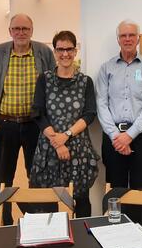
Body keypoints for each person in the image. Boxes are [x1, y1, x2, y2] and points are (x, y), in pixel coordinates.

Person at [0, 13, 56, 225]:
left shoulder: (43, 52)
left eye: (25, 29)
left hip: (36, 125)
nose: (21, 32)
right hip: (6, 124)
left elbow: (53, 87)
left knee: (38, 174)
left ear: (32, 30)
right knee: (4, 176)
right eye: (16, 29)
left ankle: (38, 218)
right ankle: (4, 218)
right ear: (10, 31)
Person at [30, 31, 99, 217]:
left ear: (75, 51)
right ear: (54, 52)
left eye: (69, 49)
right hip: (49, 148)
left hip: (78, 148)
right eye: (60, 49)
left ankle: (84, 240)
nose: (65, 54)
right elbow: (38, 112)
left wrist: (66, 136)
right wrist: (56, 141)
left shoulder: (85, 82)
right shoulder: (44, 79)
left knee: (81, 197)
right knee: (48, 199)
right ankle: (51, 241)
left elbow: (90, 114)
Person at [96, 19, 142, 189]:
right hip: (113, 138)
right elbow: (101, 104)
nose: (128, 39)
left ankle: (138, 218)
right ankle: (115, 218)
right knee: (115, 191)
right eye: (123, 35)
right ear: (118, 39)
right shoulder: (106, 68)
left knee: (141, 190)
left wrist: (129, 135)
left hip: (141, 137)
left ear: (138, 38)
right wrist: (116, 136)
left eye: (132, 35)